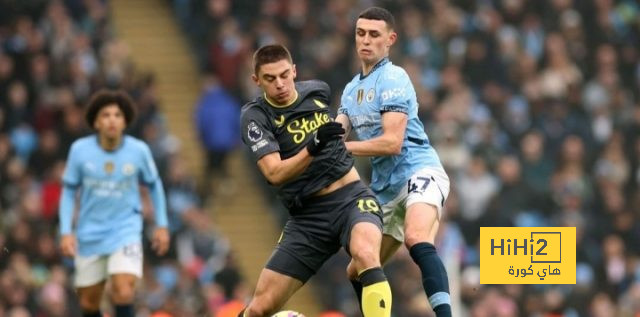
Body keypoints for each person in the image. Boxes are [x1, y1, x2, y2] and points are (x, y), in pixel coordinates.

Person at [238, 44, 391, 317]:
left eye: (285, 75)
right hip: (308, 218)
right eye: (270, 79)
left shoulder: (317, 90)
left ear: (294, 70)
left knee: (366, 254)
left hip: (352, 198)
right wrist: (313, 146)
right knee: (259, 308)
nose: (280, 84)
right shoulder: (256, 117)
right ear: (256, 81)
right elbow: (274, 173)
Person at [336, 7, 452, 317]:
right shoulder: (350, 91)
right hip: (385, 187)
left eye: (374, 34)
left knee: (415, 236)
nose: (366, 40)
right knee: (357, 268)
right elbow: (335, 136)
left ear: (390, 39)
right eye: (361, 33)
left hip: (419, 169)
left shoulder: (394, 77)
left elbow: (392, 142)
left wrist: (345, 148)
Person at [58, 89, 170, 317]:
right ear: (96, 122)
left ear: (125, 121)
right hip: (89, 233)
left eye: (117, 115)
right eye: (106, 115)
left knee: (123, 289)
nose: (112, 120)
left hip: (125, 231)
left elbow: (155, 185)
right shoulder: (80, 150)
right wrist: (66, 232)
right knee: (89, 302)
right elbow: (69, 191)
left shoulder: (138, 151)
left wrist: (162, 225)